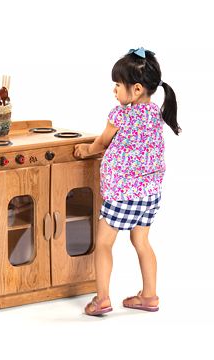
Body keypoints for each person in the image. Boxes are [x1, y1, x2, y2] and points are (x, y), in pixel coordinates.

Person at [74, 47, 181, 316]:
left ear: (135, 90)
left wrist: (84, 151)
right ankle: (149, 296)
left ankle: (102, 299)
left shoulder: (120, 114)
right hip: (150, 194)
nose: (114, 91)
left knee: (104, 244)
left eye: (117, 85)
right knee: (142, 241)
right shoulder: (156, 113)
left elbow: (101, 143)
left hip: (123, 194)